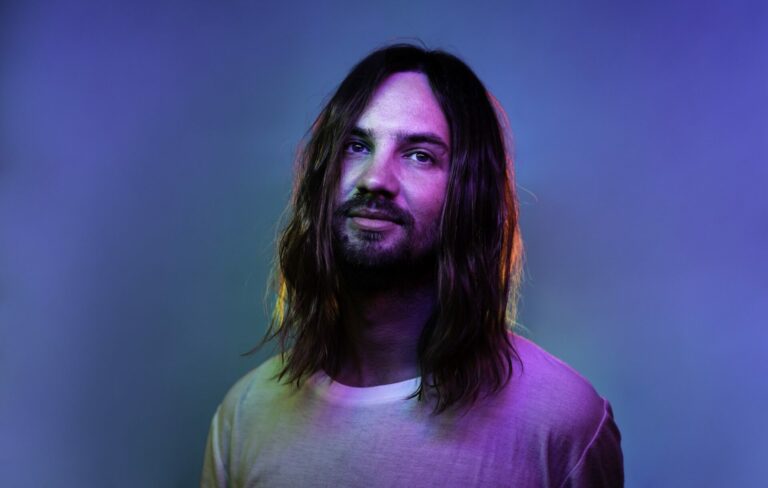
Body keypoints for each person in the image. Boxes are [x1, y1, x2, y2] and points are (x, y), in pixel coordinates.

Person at [201, 44, 623, 487]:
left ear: (468, 194)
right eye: (356, 145)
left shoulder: (562, 423)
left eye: (420, 155)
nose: (375, 179)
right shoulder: (245, 416)